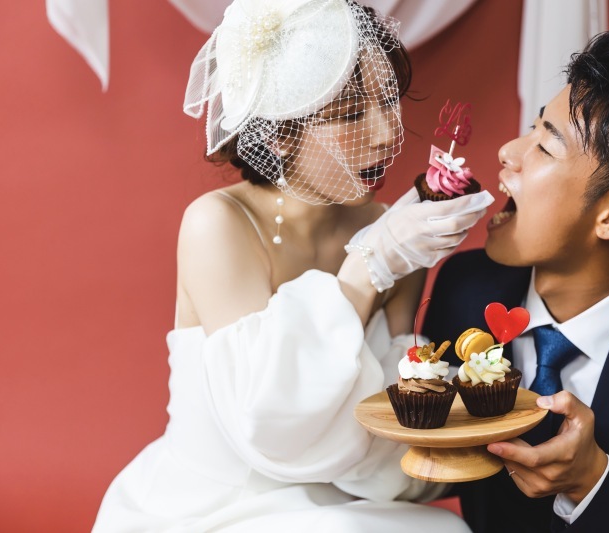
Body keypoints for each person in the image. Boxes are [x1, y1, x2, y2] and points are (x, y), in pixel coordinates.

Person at [92, 1, 493, 531]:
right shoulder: (218, 224)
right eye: (351, 114)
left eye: (388, 101)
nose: (381, 134)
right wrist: (368, 265)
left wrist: (474, 449)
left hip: (354, 497)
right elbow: (266, 420)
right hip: (215, 504)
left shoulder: (390, 227)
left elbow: (396, 413)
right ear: (278, 132)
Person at [423, 28, 609, 532]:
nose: (508, 152)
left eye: (545, 145)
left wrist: (592, 483)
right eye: (532, 126)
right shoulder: (463, 289)